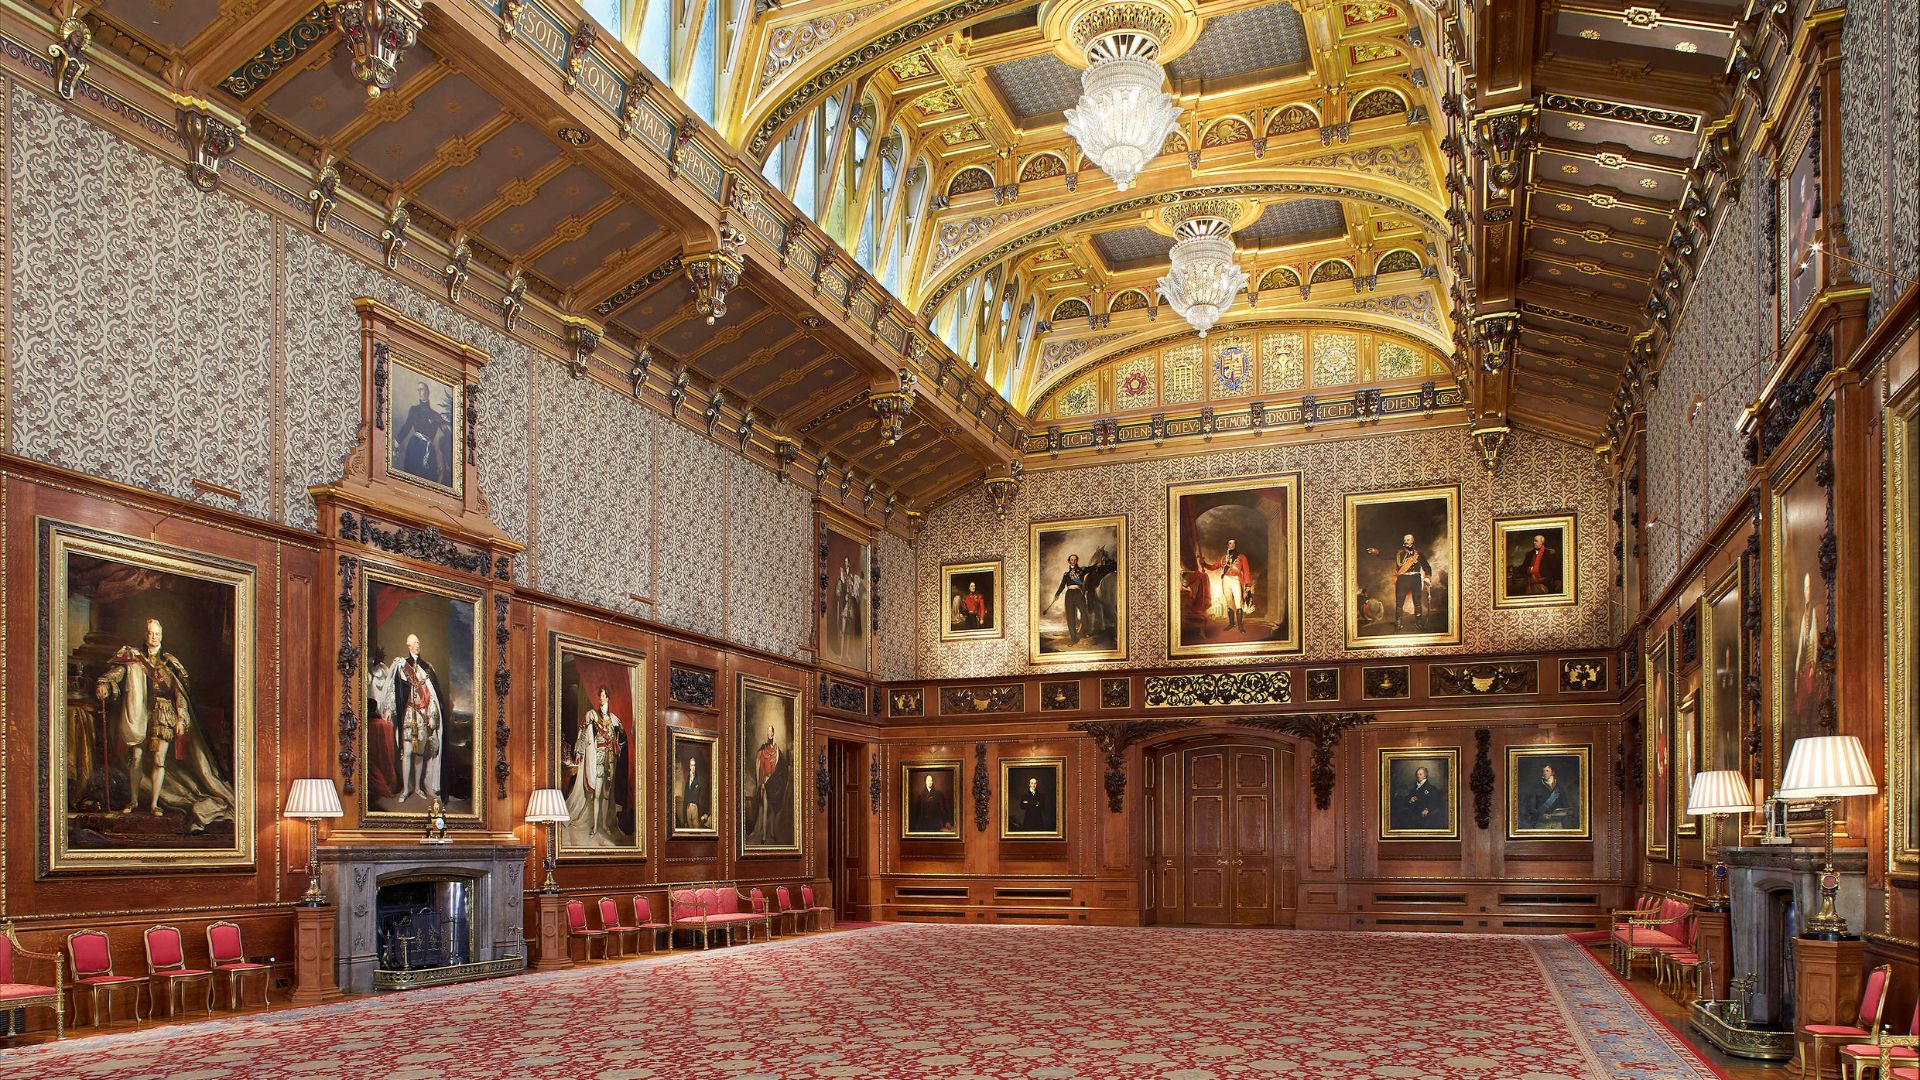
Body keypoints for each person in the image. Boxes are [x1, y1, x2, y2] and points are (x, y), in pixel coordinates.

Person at [94, 618, 236, 832]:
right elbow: (116, 673)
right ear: (145, 635)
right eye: (150, 633)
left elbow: (180, 695)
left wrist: (181, 717)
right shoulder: (134, 658)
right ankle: (133, 801)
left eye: (157, 634)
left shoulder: (170, 663)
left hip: (163, 715)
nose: (153, 637)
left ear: (162, 636)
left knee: (159, 760)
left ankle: (154, 804)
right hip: (139, 713)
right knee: (136, 758)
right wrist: (103, 683)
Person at [385, 633, 444, 806]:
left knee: (419, 754)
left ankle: (418, 787)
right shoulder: (401, 665)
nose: (418, 645)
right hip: (409, 715)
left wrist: (433, 715)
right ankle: (405, 789)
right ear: (408, 645)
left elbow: (433, 696)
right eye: (415, 642)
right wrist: (389, 708)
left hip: (423, 716)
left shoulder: (427, 668)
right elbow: (393, 689)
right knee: (408, 752)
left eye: (419, 642)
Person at [562, 686, 625, 845]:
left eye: (604, 695)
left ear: (608, 698)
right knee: (596, 795)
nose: (602, 698)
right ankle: (595, 826)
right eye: (600, 696)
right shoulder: (592, 714)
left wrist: (617, 742)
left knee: (605, 795)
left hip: (610, 760)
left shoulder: (613, 718)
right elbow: (583, 730)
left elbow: (622, 735)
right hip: (597, 758)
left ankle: (604, 824)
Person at [1366, 533, 1431, 631]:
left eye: (1408, 540)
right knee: (1399, 602)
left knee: (1417, 602)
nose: (1406, 541)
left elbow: (1427, 567)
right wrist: (1376, 552)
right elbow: (1384, 555)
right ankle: (1399, 623)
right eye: (1405, 540)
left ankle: (1419, 623)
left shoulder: (1419, 554)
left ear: (1413, 541)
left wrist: (1428, 577)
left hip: (1416, 579)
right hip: (1403, 580)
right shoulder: (1398, 553)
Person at [394, 379, 452, 488]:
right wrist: (397, 441)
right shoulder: (414, 410)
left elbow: (448, 434)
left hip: (429, 450)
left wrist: (448, 423)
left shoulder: (435, 415)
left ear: (427, 392)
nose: (420, 392)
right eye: (418, 390)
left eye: (422, 389)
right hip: (415, 446)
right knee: (412, 477)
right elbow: (407, 426)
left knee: (429, 480)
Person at [1199, 538, 1254, 633]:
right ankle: (1232, 623)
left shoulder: (1241, 557)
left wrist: (1248, 585)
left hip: (1236, 580)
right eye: (1230, 543)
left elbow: (1246, 571)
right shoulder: (1223, 558)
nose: (1232, 545)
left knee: (1238, 603)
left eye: (1233, 543)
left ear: (1236, 545)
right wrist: (1204, 564)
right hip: (1225, 581)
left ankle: (1240, 626)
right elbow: (1213, 567)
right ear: (1227, 545)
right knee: (1229, 603)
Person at [1048, 554, 1089, 644]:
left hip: (1078, 593)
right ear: (1069, 561)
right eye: (1071, 559)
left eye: (1075, 559)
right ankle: (1073, 639)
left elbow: (1091, 568)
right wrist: (1057, 594)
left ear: (1077, 561)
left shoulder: (1081, 571)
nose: (1073, 561)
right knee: (1070, 617)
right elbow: (1062, 585)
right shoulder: (1066, 574)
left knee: (1084, 612)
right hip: (1069, 594)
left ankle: (1084, 632)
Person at [1520, 763, 1574, 831]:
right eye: (1543, 771)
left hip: (1557, 824)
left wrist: (1567, 812)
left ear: (1553, 773)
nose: (1544, 773)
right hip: (1541, 824)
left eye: (1547, 771)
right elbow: (1530, 807)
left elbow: (1566, 805)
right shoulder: (1536, 787)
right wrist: (1541, 815)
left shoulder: (1559, 788)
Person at [1393, 765, 1446, 832]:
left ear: (1425, 775)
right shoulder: (1415, 787)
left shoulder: (1430, 788)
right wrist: (1410, 800)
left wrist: (1427, 809)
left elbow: (1434, 801)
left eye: (1420, 774)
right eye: (1417, 774)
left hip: (1422, 816)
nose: (1418, 776)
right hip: (1413, 813)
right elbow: (1408, 798)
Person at [1511, 532, 1561, 596]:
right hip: (1531, 583)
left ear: (1541, 543)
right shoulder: (1529, 554)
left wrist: (1558, 580)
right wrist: (1527, 569)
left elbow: (1555, 569)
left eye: (1536, 541)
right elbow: (1523, 567)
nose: (1534, 542)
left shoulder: (1549, 553)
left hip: (1545, 583)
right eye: (1534, 541)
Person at [834, 557, 865, 655]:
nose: (845, 563)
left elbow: (856, 591)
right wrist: (842, 591)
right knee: (842, 632)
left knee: (848, 633)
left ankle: (846, 654)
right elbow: (838, 592)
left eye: (847, 562)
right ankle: (842, 654)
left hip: (850, 605)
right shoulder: (841, 576)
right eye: (844, 562)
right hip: (845, 605)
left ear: (849, 564)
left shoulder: (852, 577)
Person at [680, 750, 711, 830]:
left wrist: (706, 813)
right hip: (688, 808)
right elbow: (686, 797)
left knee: (696, 831)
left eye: (694, 765)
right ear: (689, 766)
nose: (693, 767)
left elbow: (705, 796)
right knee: (689, 831)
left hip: (696, 809)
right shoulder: (688, 779)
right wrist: (684, 819)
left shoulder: (699, 780)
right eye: (691, 765)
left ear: (696, 766)